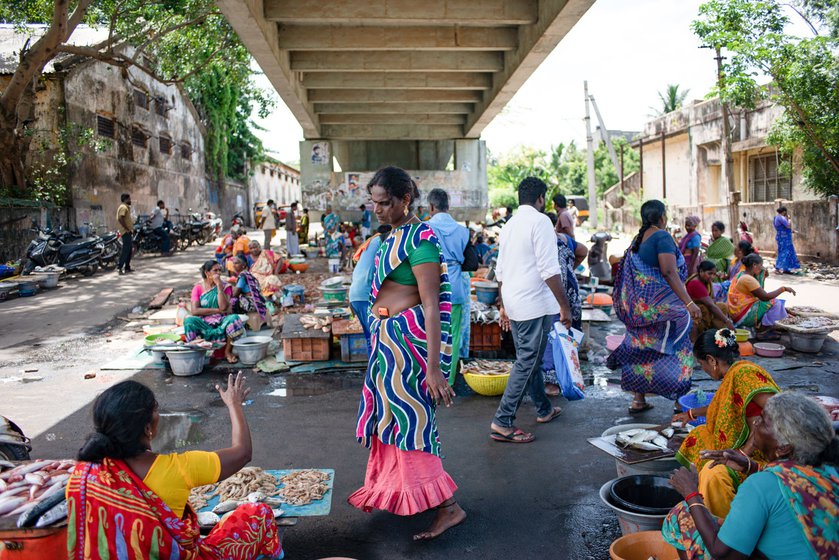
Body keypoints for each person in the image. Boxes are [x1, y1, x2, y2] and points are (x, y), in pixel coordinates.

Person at [349, 166, 465, 541]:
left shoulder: (421, 242)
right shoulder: (394, 236)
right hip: (388, 346)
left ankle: (448, 508)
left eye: (384, 203)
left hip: (410, 353)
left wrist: (434, 369)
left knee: (412, 427)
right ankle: (403, 493)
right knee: (394, 424)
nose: (377, 210)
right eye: (374, 202)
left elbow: (432, 306)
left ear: (405, 200)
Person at [67, 376, 281, 559]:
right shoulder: (177, 469)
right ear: (147, 427)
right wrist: (234, 404)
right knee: (257, 512)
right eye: (156, 409)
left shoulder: (86, 473)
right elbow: (242, 452)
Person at [663, 391, 839, 560]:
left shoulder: (761, 485)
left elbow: (724, 554)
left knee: (681, 514)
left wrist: (691, 494)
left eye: (763, 421)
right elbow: (791, 485)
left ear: (783, 447)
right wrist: (751, 466)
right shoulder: (829, 468)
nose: (755, 423)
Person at [491, 177, 570, 444]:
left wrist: (503, 304)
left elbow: (499, 270)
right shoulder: (540, 222)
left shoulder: (510, 225)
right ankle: (503, 421)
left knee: (531, 359)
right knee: (527, 361)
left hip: (515, 302)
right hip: (533, 303)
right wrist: (564, 305)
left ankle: (544, 409)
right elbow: (549, 269)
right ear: (541, 199)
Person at [672, 329, 780, 518]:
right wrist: (691, 414)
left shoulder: (744, 374)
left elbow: (776, 411)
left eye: (702, 364)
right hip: (746, 443)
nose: (704, 369)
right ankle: (699, 492)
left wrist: (744, 452)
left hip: (763, 453)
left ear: (711, 360)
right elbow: (724, 405)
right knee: (698, 435)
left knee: (712, 471)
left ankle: (719, 516)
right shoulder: (734, 373)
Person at [607, 200, 702, 413]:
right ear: (661, 217)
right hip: (662, 311)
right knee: (679, 348)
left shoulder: (638, 240)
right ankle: (679, 402)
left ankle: (638, 400)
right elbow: (669, 272)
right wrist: (689, 302)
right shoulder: (662, 237)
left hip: (640, 311)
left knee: (640, 347)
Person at [427, 188, 471, 386]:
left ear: (431, 207)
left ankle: (428, 380)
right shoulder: (463, 231)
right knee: (452, 338)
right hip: (455, 289)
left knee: (428, 334)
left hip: (429, 288)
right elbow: (472, 263)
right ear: (448, 206)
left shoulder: (424, 228)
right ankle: (449, 381)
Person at [541, 213, 588, 396]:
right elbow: (583, 251)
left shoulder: (542, 240)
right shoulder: (564, 239)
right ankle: (569, 377)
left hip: (555, 294)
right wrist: (570, 268)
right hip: (571, 290)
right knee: (568, 335)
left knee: (553, 336)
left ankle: (553, 384)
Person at [184, 261, 246, 363]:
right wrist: (217, 310)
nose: (218, 273)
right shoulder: (198, 288)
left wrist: (219, 286)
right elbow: (195, 311)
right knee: (189, 321)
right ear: (207, 273)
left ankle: (227, 352)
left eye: (219, 270)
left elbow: (223, 306)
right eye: (215, 270)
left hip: (222, 322)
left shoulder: (225, 286)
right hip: (205, 323)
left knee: (234, 318)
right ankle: (195, 352)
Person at [728, 253, 795, 329]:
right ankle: (764, 329)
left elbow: (759, 291)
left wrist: (761, 275)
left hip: (735, 314)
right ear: (754, 265)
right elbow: (765, 297)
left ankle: (767, 324)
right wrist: (783, 289)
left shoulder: (740, 274)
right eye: (761, 265)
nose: (762, 268)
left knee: (772, 303)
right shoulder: (748, 279)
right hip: (742, 316)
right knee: (775, 302)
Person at [349, 226, 388, 355]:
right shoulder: (382, 242)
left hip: (355, 295)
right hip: (364, 296)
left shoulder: (371, 241)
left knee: (369, 337)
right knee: (376, 339)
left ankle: (372, 372)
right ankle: (375, 372)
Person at [686, 260, 735, 339]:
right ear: (701, 271)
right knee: (712, 310)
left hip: (701, 306)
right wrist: (727, 321)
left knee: (722, 306)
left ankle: (717, 334)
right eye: (710, 273)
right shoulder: (696, 283)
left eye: (714, 274)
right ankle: (714, 336)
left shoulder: (702, 280)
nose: (712, 277)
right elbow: (710, 305)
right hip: (693, 311)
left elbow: (710, 301)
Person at [229, 255, 269, 328]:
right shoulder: (248, 274)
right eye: (233, 263)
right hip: (259, 301)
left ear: (243, 265)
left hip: (252, 303)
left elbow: (235, 294)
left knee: (232, 301)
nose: (234, 265)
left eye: (236, 263)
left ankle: (238, 324)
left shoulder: (242, 276)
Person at [773, 206, 801, 273]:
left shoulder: (776, 218)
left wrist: (792, 231)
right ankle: (778, 267)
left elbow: (782, 229)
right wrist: (789, 219)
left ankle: (786, 268)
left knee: (786, 252)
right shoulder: (781, 218)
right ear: (784, 211)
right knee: (784, 252)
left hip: (782, 237)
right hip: (784, 238)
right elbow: (788, 226)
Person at [116, 193, 134, 275]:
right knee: (126, 250)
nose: (130, 200)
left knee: (129, 250)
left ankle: (127, 267)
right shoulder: (123, 207)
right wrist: (126, 228)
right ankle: (119, 267)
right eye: (129, 199)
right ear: (126, 199)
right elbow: (120, 218)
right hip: (125, 232)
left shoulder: (125, 207)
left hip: (128, 231)